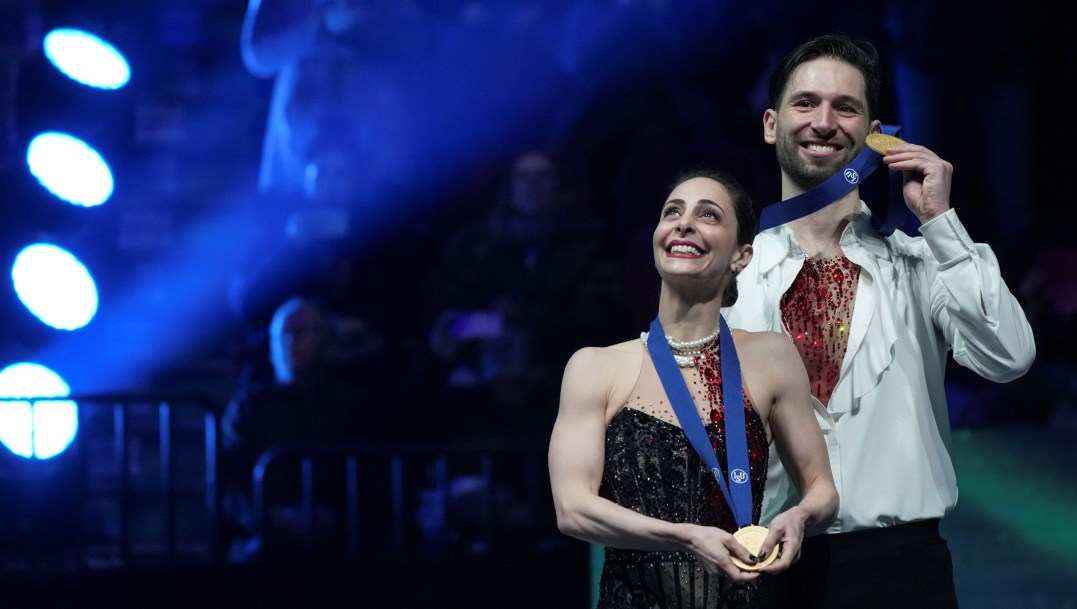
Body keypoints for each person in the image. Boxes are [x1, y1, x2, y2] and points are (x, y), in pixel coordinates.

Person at [723, 33, 1037, 609]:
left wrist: (941, 222)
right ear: (771, 124)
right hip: (766, 568)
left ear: (876, 135)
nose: (824, 121)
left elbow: (1010, 359)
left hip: (904, 572)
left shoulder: (925, 259)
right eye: (805, 103)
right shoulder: (727, 277)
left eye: (846, 107)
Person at [549, 169, 838, 608]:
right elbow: (572, 508)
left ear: (742, 256)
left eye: (709, 215)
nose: (684, 223)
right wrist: (685, 537)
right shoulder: (594, 367)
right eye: (672, 212)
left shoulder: (770, 358)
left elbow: (822, 489)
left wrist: (798, 517)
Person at [219, 295, 387, 562]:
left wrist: (336, 517)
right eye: (281, 335)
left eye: (300, 331)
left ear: (330, 343)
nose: (290, 341)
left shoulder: (355, 405)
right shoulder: (250, 407)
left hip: (344, 542)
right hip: (265, 541)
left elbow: (375, 477)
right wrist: (268, 517)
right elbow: (229, 482)